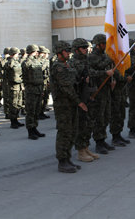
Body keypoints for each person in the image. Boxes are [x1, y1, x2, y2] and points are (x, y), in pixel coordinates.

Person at [51, 41, 88, 173]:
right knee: (64, 132)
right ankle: (62, 161)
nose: (69, 53)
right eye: (66, 51)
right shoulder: (58, 67)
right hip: (63, 105)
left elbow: (75, 82)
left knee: (72, 131)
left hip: (71, 104)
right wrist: (79, 102)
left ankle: (67, 158)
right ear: (60, 52)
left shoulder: (68, 65)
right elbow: (67, 88)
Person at [69, 38, 100, 163]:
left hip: (88, 95)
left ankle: (86, 147)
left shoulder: (85, 60)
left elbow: (91, 73)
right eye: (83, 48)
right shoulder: (73, 63)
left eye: (86, 48)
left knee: (89, 124)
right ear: (77, 50)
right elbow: (73, 82)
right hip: (80, 97)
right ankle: (81, 151)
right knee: (81, 125)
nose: (86, 50)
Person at [88, 34, 115, 154]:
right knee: (99, 117)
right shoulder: (92, 56)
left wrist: (112, 79)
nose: (106, 46)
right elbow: (99, 67)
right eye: (104, 44)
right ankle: (98, 142)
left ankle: (103, 139)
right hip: (98, 90)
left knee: (106, 116)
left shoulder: (104, 55)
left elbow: (110, 69)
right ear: (98, 44)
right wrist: (110, 58)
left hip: (106, 89)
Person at [22, 44, 46, 140]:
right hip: (31, 90)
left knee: (36, 110)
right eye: (36, 51)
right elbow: (25, 76)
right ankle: (30, 131)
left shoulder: (36, 61)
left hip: (38, 89)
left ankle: (35, 128)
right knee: (31, 111)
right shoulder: (26, 62)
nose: (37, 53)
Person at [3, 47, 25, 129]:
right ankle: (13, 121)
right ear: (13, 54)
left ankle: (16, 119)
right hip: (13, 85)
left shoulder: (16, 62)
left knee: (18, 104)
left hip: (18, 85)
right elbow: (6, 75)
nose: (18, 55)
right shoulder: (9, 63)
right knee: (13, 104)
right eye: (17, 54)